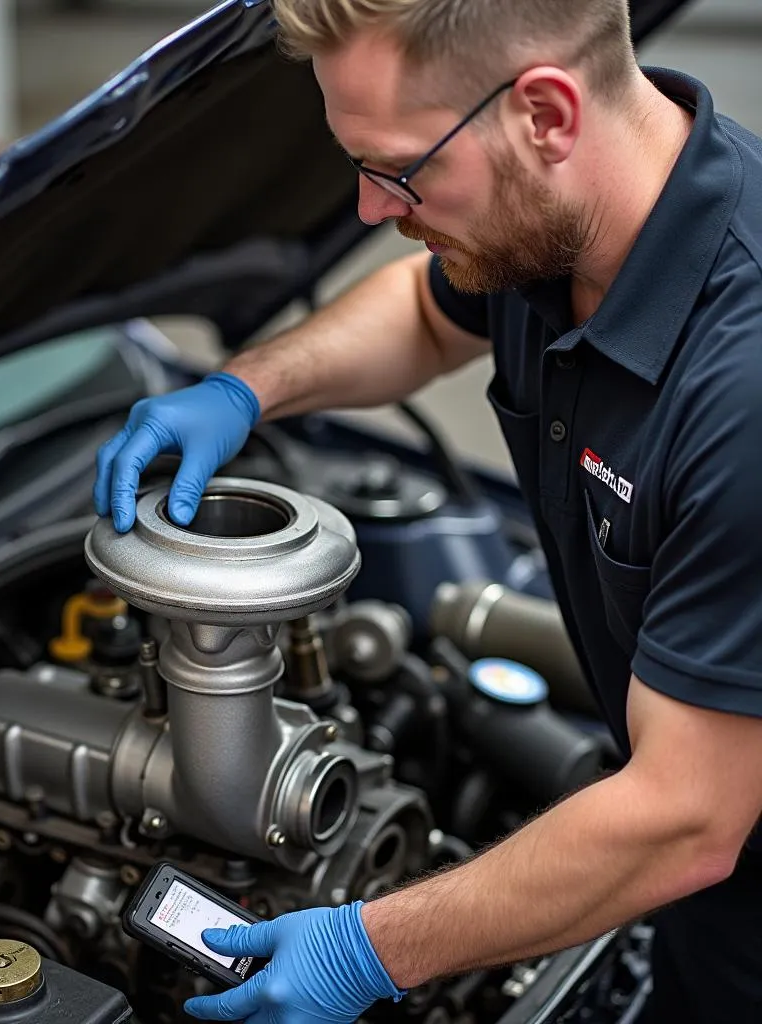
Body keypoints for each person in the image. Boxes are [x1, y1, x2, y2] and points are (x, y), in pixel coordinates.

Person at [93, 0, 762, 1020]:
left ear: (545, 113)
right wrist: (244, 389)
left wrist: (367, 948)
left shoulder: (742, 384)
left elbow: (683, 818)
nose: (367, 208)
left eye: (398, 169)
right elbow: (420, 311)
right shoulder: (565, 223)